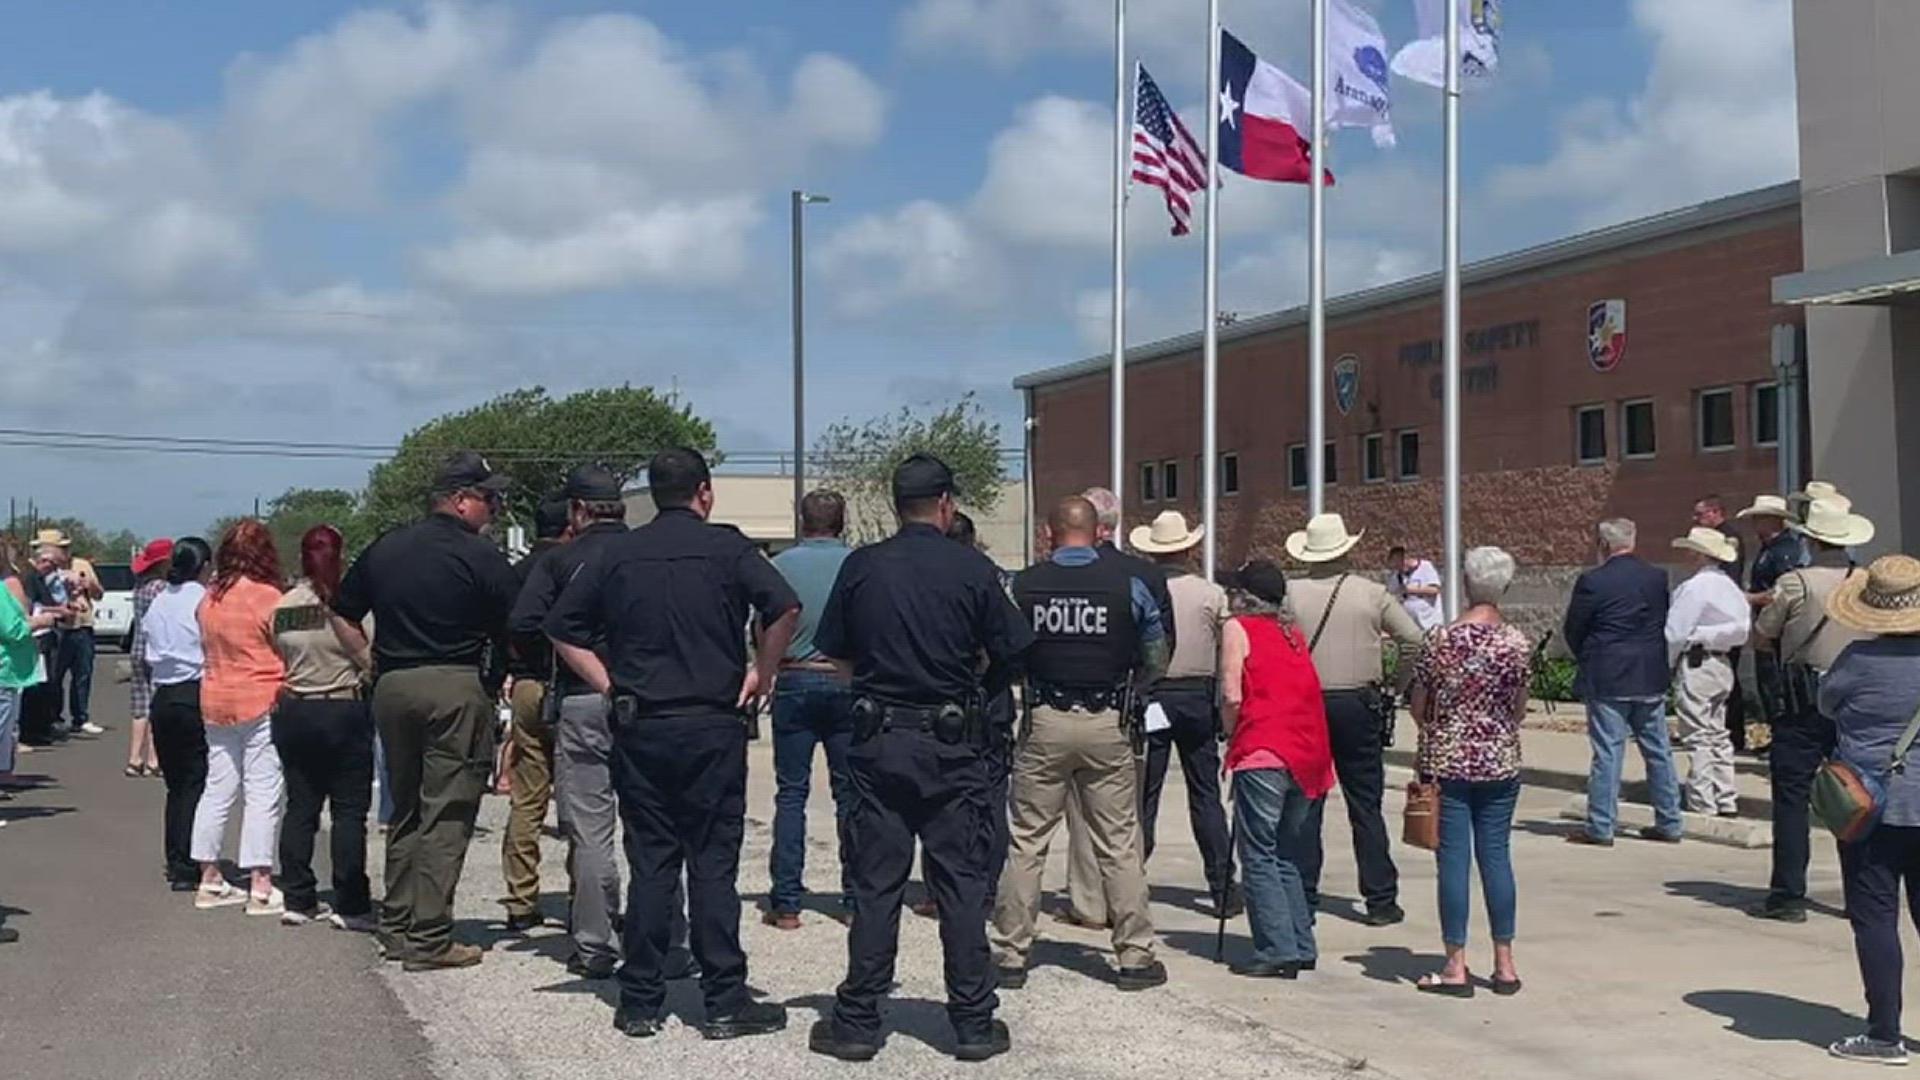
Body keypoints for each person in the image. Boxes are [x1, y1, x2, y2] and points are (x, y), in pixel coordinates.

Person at [546, 447, 798, 1039]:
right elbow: (784, 607)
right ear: (704, 492)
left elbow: (561, 628)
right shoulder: (730, 547)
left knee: (652, 862)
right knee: (713, 863)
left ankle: (640, 1000)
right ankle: (725, 1001)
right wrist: (763, 669)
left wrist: (610, 684)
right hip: (713, 722)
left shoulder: (619, 553)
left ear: (654, 495)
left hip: (643, 723)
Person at [808, 453, 1033, 1064]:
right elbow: (1013, 650)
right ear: (946, 504)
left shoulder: (862, 567)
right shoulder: (973, 569)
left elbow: (837, 655)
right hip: (953, 746)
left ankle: (857, 1022)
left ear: (894, 504)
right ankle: (973, 1023)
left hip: (879, 742)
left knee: (877, 885)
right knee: (960, 884)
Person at [332, 451, 520, 971]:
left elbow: (343, 612)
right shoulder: (482, 557)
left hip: (393, 685)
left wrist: (369, 662)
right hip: (455, 684)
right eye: (488, 498)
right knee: (449, 810)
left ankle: (396, 924)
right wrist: (499, 672)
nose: (495, 509)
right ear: (460, 501)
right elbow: (517, 623)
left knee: (407, 807)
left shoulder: (387, 548)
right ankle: (431, 936)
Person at [992, 495, 1170, 991]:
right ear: (1097, 533)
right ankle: (1135, 956)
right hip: (1107, 721)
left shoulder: (1022, 586)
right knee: (1118, 843)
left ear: (1049, 534)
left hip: (1044, 718)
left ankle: (1010, 953)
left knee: (1027, 840)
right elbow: (1157, 654)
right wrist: (1134, 685)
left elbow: (1001, 649)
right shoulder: (1129, 584)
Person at [511, 466, 675, 982]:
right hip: (651, 698)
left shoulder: (562, 559)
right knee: (658, 829)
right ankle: (666, 941)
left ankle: (595, 945)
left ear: (578, 512)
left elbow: (524, 621)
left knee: (591, 832)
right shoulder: (651, 553)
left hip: (584, 697)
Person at [1286, 513, 1421, 925]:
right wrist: (1395, 686)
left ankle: (1303, 894)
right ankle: (1380, 898)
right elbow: (1414, 640)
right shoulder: (1371, 593)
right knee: (1366, 804)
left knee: (1307, 802)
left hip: (1307, 703)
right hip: (1360, 703)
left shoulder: (1290, 595)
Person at [1410, 547, 1531, 997]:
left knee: (1454, 862)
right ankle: (1505, 964)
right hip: (1499, 759)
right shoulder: (1515, 642)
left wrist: (1439, 728)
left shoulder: (1439, 639)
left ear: (1465, 582)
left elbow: (1419, 703)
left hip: (1449, 761)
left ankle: (1456, 964)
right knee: (1497, 857)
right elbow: (1518, 708)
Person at [1057, 486, 1177, 930]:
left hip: (1062, 704)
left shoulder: (1048, 575)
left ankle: (1089, 903)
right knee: (1122, 819)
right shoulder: (1144, 576)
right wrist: (1143, 690)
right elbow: (1162, 647)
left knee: (1078, 812)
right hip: (1125, 704)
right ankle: (1126, 904)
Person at [1746, 496, 1871, 922]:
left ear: (1812, 539)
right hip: (1856, 697)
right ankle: (1861, 894)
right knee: (1855, 798)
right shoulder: (1865, 581)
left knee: (1792, 799)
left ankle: (1788, 896)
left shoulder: (1795, 583)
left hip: (1803, 697)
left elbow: (1763, 636)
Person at [1820, 555, 1920, 1067]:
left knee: (1875, 919)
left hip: (1869, 807)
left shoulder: (1856, 661)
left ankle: (1885, 1033)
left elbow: (1827, 706)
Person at [1217, 560, 1332, 979]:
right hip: (1307, 752)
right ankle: (1300, 942)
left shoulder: (1238, 628)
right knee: (1287, 852)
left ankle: (1276, 947)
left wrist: (1230, 733)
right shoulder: (1293, 634)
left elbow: (1231, 692)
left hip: (1264, 747)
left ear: (1244, 598)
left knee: (1259, 852)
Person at [1130, 509, 1240, 916]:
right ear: (1190, 548)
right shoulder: (1212, 594)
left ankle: (1130, 881)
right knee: (1205, 793)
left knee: (1145, 795)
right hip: (1198, 695)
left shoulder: (1141, 586)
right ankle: (1222, 885)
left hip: (1154, 694)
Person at [272, 525, 377, 930]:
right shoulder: (353, 604)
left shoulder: (284, 606)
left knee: (301, 806)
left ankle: (298, 896)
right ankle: (350, 903)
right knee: (349, 812)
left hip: (297, 709)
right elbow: (370, 655)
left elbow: (276, 648)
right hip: (343, 708)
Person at [764, 489, 858, 930]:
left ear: (802, 521)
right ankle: (855, 899)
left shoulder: (781, 567)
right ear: (843, 522)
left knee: (791, 793)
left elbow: (762, 627)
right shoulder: (859, 564)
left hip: (794, 676)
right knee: (850, 795)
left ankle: (786, 903)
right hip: (846, 680)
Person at [1564, 518, 1685, 846]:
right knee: (1658, 750)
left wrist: (1590, 656)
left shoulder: (1593, 581)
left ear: (1603, 545)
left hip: (1609, 673)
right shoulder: (1656, 577)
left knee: (1608, 751)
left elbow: (1574, 628)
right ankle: (1670, 820)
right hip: (1649, 671)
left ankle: (1601, 825)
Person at [189, 519, 288, 916]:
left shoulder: (209, 598)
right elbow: (286, 646)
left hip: (215, 696)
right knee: (263, 791)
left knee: (217, 787)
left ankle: (209, 875)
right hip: (262, 695)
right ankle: (260, 882)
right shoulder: (270, 597)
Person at [499, 495, 571, 934]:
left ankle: (520, 898)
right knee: (579, 798)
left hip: (524, 684)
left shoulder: (515, 574)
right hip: (567, 685)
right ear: (570, 525)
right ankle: (584, 895)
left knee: (527, 798)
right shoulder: (573, 567)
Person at [1666, 526, 1751, 818]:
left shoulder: (1694, 587)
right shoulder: (1730, 587)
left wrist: (1668, 663)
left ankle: (1702, 800)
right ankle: (1726, 796)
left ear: (1700, 554)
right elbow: (1742, 629)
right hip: (1722, 661)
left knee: (1698, 734)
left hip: (1697, 660)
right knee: (1718, 732)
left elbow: (1675, 633)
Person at [146, 538, 213, 891]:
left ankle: (176, 857)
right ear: (203, 567)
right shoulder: (202, 600)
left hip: (163, 695)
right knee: (195, 782)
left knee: (176, 785)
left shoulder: (159, 600)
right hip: (193, 689)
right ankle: (189, 860)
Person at [1740, 494, 1810, 747]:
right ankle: (1777, 736)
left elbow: (1783, 592)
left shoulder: (1784, 552)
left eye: (1759, 518)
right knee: (1766, 686)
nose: (1755, 523)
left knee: (1776, 688)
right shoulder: (1768, 549)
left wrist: (1749, 598)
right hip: (1767, 628)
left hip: (1777, 632)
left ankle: (1784, 739)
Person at [1, 538, 63, 799]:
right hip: (5, 667)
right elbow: (13, 630)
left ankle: (4, 773)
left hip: (11, 669)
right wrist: (43, 620)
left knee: (7, 727)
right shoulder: (5, 588)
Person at [1693, 496, 1751, 753]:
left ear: (1716, 512)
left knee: (1729, 678)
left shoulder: (1728, 538)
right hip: (1721, 611)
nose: (1696, 520)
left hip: (1725, 614)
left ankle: (1734, 733)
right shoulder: (1717, 536)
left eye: (1700, 514)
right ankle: (1721, 730)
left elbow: (1731, 575)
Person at [39, 529, 105, 737]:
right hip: (58, 628)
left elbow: (99, 594)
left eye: (67, 547)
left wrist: (88, 584)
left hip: (82, 625)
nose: (66, 551)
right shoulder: (45, 571)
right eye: (62, 547)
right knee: (54, 676)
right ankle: (54, 717)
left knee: (83, 674)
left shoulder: (82, 565)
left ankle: (81, 717)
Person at [125, 539, 173, 778]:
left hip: (137, 647)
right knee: (156, 704)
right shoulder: (161, 588)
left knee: (139, 707)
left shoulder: (140, 585)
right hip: (156, 650)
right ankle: (154, 759)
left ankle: (134, 758)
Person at [1387, 544, 1445, 633]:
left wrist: (1413, 590)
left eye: (1399, 562)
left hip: (1429, 623)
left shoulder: (1425, 567)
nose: (1398, 567)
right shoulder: (1397, 576)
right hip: (1411, 625)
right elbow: (1390, 594)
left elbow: (1435, 590)